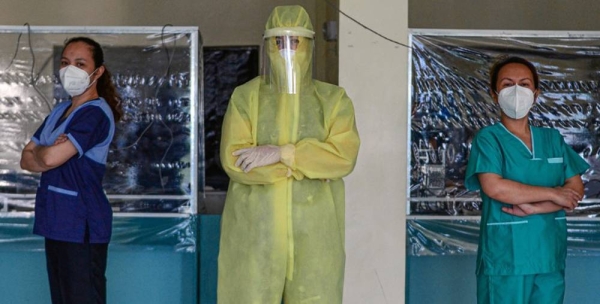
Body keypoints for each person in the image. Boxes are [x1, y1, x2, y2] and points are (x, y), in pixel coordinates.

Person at [217, 5, 360, 304]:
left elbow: (343, 157)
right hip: (256, 234)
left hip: (315, 236)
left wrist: (280, 153)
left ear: (308, 44)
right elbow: (235, 161)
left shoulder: (333, 100)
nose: (286, 49)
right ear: (268, 44)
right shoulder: (247, 97)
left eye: (294, 41)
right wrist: (308, 164)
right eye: (278, 41)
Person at [465, 56, 589, 304]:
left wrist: (537, 207)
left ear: (536, 93)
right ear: (494, 93)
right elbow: (495, 187)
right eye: (507, 84)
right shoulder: (488, 139)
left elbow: (575, 190)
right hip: (506, 257)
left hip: (548, 256)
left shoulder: (552, 138)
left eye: (524, 84)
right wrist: (554, 194)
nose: (516, 91)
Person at [20, 36, 121, 304]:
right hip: (56, 221)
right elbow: (25, 159)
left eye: (80, 63)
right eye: (65, 63)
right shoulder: (61, 111)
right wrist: (48, 152)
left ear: (97, 72)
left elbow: (47, 158)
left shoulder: (95, 113)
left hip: (81, 223)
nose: (69, 70)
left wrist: (45, 152)